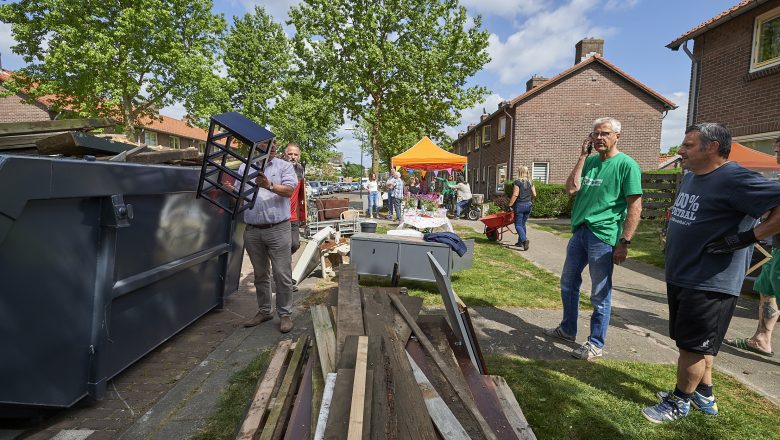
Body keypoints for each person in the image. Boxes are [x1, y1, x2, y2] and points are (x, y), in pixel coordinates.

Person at [642, 123, 780, 423]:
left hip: (711, 281)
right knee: (693, 342)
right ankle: (704, 392)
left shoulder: (736, 178)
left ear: (712, 147)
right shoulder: (693, 177)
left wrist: (747, 237)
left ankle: (680, 401)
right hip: (683, 275)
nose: (680, 150)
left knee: (692, 347)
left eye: (688, 145)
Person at [544, 117, 642, 361]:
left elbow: (635, 207)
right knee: (568, 283)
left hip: (604, 235)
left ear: (617, 136)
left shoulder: (627, 165)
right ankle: (567, 329)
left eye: (605, 133)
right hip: (581, 231)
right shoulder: (590, 162)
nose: (599, 138)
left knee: (600, 292)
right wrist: (581, 157)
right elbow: (571, 189)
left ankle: (596, 343)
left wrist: (624, 242)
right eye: (596, 134)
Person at [724, 135, 780, 357]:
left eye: (779, 150)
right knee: (766, 289)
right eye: (776, 150)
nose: (776, 155)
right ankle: (761, 339)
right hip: (777, 249)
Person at [238, 139, 298, 333]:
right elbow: (241, 196)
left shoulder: (285, 166)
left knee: (282, 274)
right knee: (260, 274)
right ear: (257, 147)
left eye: (274, 145)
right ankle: (265, 311)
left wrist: (269, 185)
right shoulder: (243, 168)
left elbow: (289, 191)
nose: (272, 148)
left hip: (278, 228)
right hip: (253, 229)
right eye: (267, 144)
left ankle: (285, 314)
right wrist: (232, 194)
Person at [508, 166, 537, 250]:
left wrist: (510, 205)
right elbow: (534, 194)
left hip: (520, 205)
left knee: (518, 225)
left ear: (519, 172)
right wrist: (529, 199)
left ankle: (524, 240)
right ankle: (520, 242)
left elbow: (515, 194)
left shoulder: (517, 182)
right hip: (529, 205)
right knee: (523, 224)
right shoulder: (531, 182)